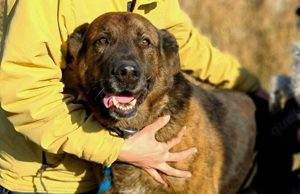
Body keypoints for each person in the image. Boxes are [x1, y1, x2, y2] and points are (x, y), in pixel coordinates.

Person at [0, 0, 267, 193]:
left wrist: (250, 84)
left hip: (93, 174)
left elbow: (185, 43)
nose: (127, 67)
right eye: (104, 42)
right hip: (48, 181)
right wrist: (119, 149)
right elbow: (24, 89)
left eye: (143, 43)